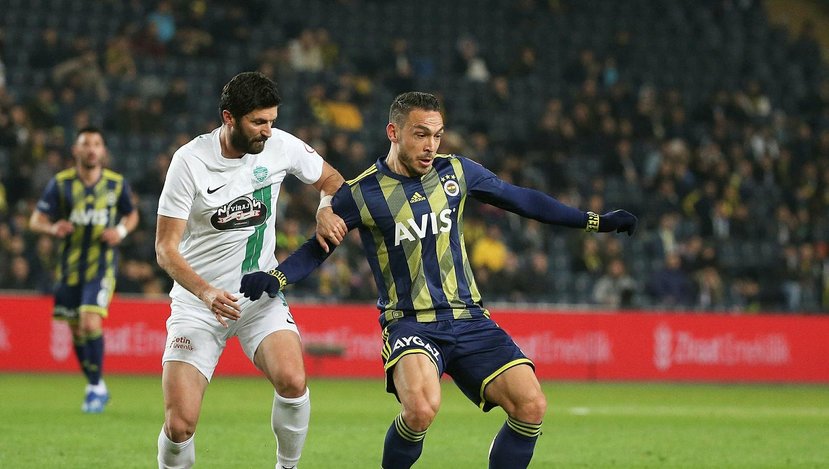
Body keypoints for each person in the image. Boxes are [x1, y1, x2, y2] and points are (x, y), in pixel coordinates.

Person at [238, 92, 638, 468]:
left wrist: (594, 221)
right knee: (420, 409)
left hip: (469, 318)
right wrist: (278, 277)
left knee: (531, 406)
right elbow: (318, 248)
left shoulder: (457, 172)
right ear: (393, 132)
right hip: (409, 323)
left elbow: (522, 199)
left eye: (437, 135)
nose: (431, 145)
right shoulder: (361, 193)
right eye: (421, 134)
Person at [154, 71, 346, 469]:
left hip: (258, 295)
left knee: (293, 380)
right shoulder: (189, 162)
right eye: (258, 122)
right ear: (229, 117)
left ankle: (286, 468)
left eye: (272, 121)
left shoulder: (280, 146)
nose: (268, 131)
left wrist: (325, 208)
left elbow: (332, 179)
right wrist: (206, 292)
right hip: (199, 305)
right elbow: (165, 249)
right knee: (179, 425)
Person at [29, 126, 139, 413]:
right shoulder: (61, 183)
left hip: (101, 266)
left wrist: (120, 232)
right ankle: (96, 385)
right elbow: (35, 220)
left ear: (103, 151)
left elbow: (132, 215)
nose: (91, 149)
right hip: (68, 268)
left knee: (90, 322)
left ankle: (94, 388)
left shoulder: (116, 184)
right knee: (77, 329)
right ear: (75, 150)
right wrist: (53, 227)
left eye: (96, 144)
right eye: (86, 144)